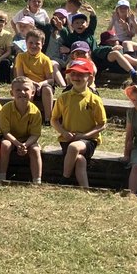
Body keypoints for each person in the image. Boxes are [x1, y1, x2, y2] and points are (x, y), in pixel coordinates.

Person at [51, 58, 105, 189]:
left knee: (74, 148)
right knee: (80, 160)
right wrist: (64, 132)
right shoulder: (63, 97)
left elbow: (102, 124)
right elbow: (54, 119)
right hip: (67, 139)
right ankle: (85, 189)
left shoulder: (94, 99)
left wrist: (84, 136)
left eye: (81, 74)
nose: (76, 77)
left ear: (90, 77)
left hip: (88, 141)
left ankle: (64, 179)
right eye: (73, 74)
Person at [0, 76, 42, 184]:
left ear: (32, 92)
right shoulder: (6, 109)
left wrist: (25, 145)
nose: (22, 92)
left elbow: (35, 134)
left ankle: (37, 181)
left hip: (28, 140)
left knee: (36, 150)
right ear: (11, 93)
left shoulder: (35, 112)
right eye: (18, 90)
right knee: (5, 145)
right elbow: (5, 131)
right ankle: (1, 177)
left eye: (26, 89)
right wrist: (17, 144)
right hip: (11, 138)